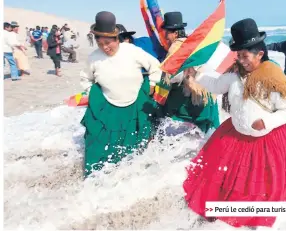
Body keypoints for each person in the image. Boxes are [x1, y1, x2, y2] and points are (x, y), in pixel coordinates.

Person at [183, 18, 286, 228]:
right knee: (220, 175)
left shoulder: (272, 76)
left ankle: (252, 220)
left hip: (267, 140)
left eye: (245, 56)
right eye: (238, 55)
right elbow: (215, 85)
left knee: (258, 184)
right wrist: (195, 75)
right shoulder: (234, 75)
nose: (241, 60)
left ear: (260, 53)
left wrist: (267, 121)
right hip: (236, 134)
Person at [79, 11, 162, 178]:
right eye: (100, 43)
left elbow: (155, 66)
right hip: (107, 108)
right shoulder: (93, 58)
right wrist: (91, 94)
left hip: (134, 105)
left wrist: (152, 83)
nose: (105, 47)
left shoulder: (132, 51)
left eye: (108, 42)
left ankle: (132, 175)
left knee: (135, 144)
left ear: (117, 38)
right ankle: (99, 178)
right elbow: (85, 78)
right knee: (100, 144)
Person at [159, 12, 220, 134]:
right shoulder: (193, 43)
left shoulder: (176, 47)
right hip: (207, 97)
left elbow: (169, 77)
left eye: (167, 33)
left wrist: (160, 95)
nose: (165, 37)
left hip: (192, 99)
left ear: (175, 33)